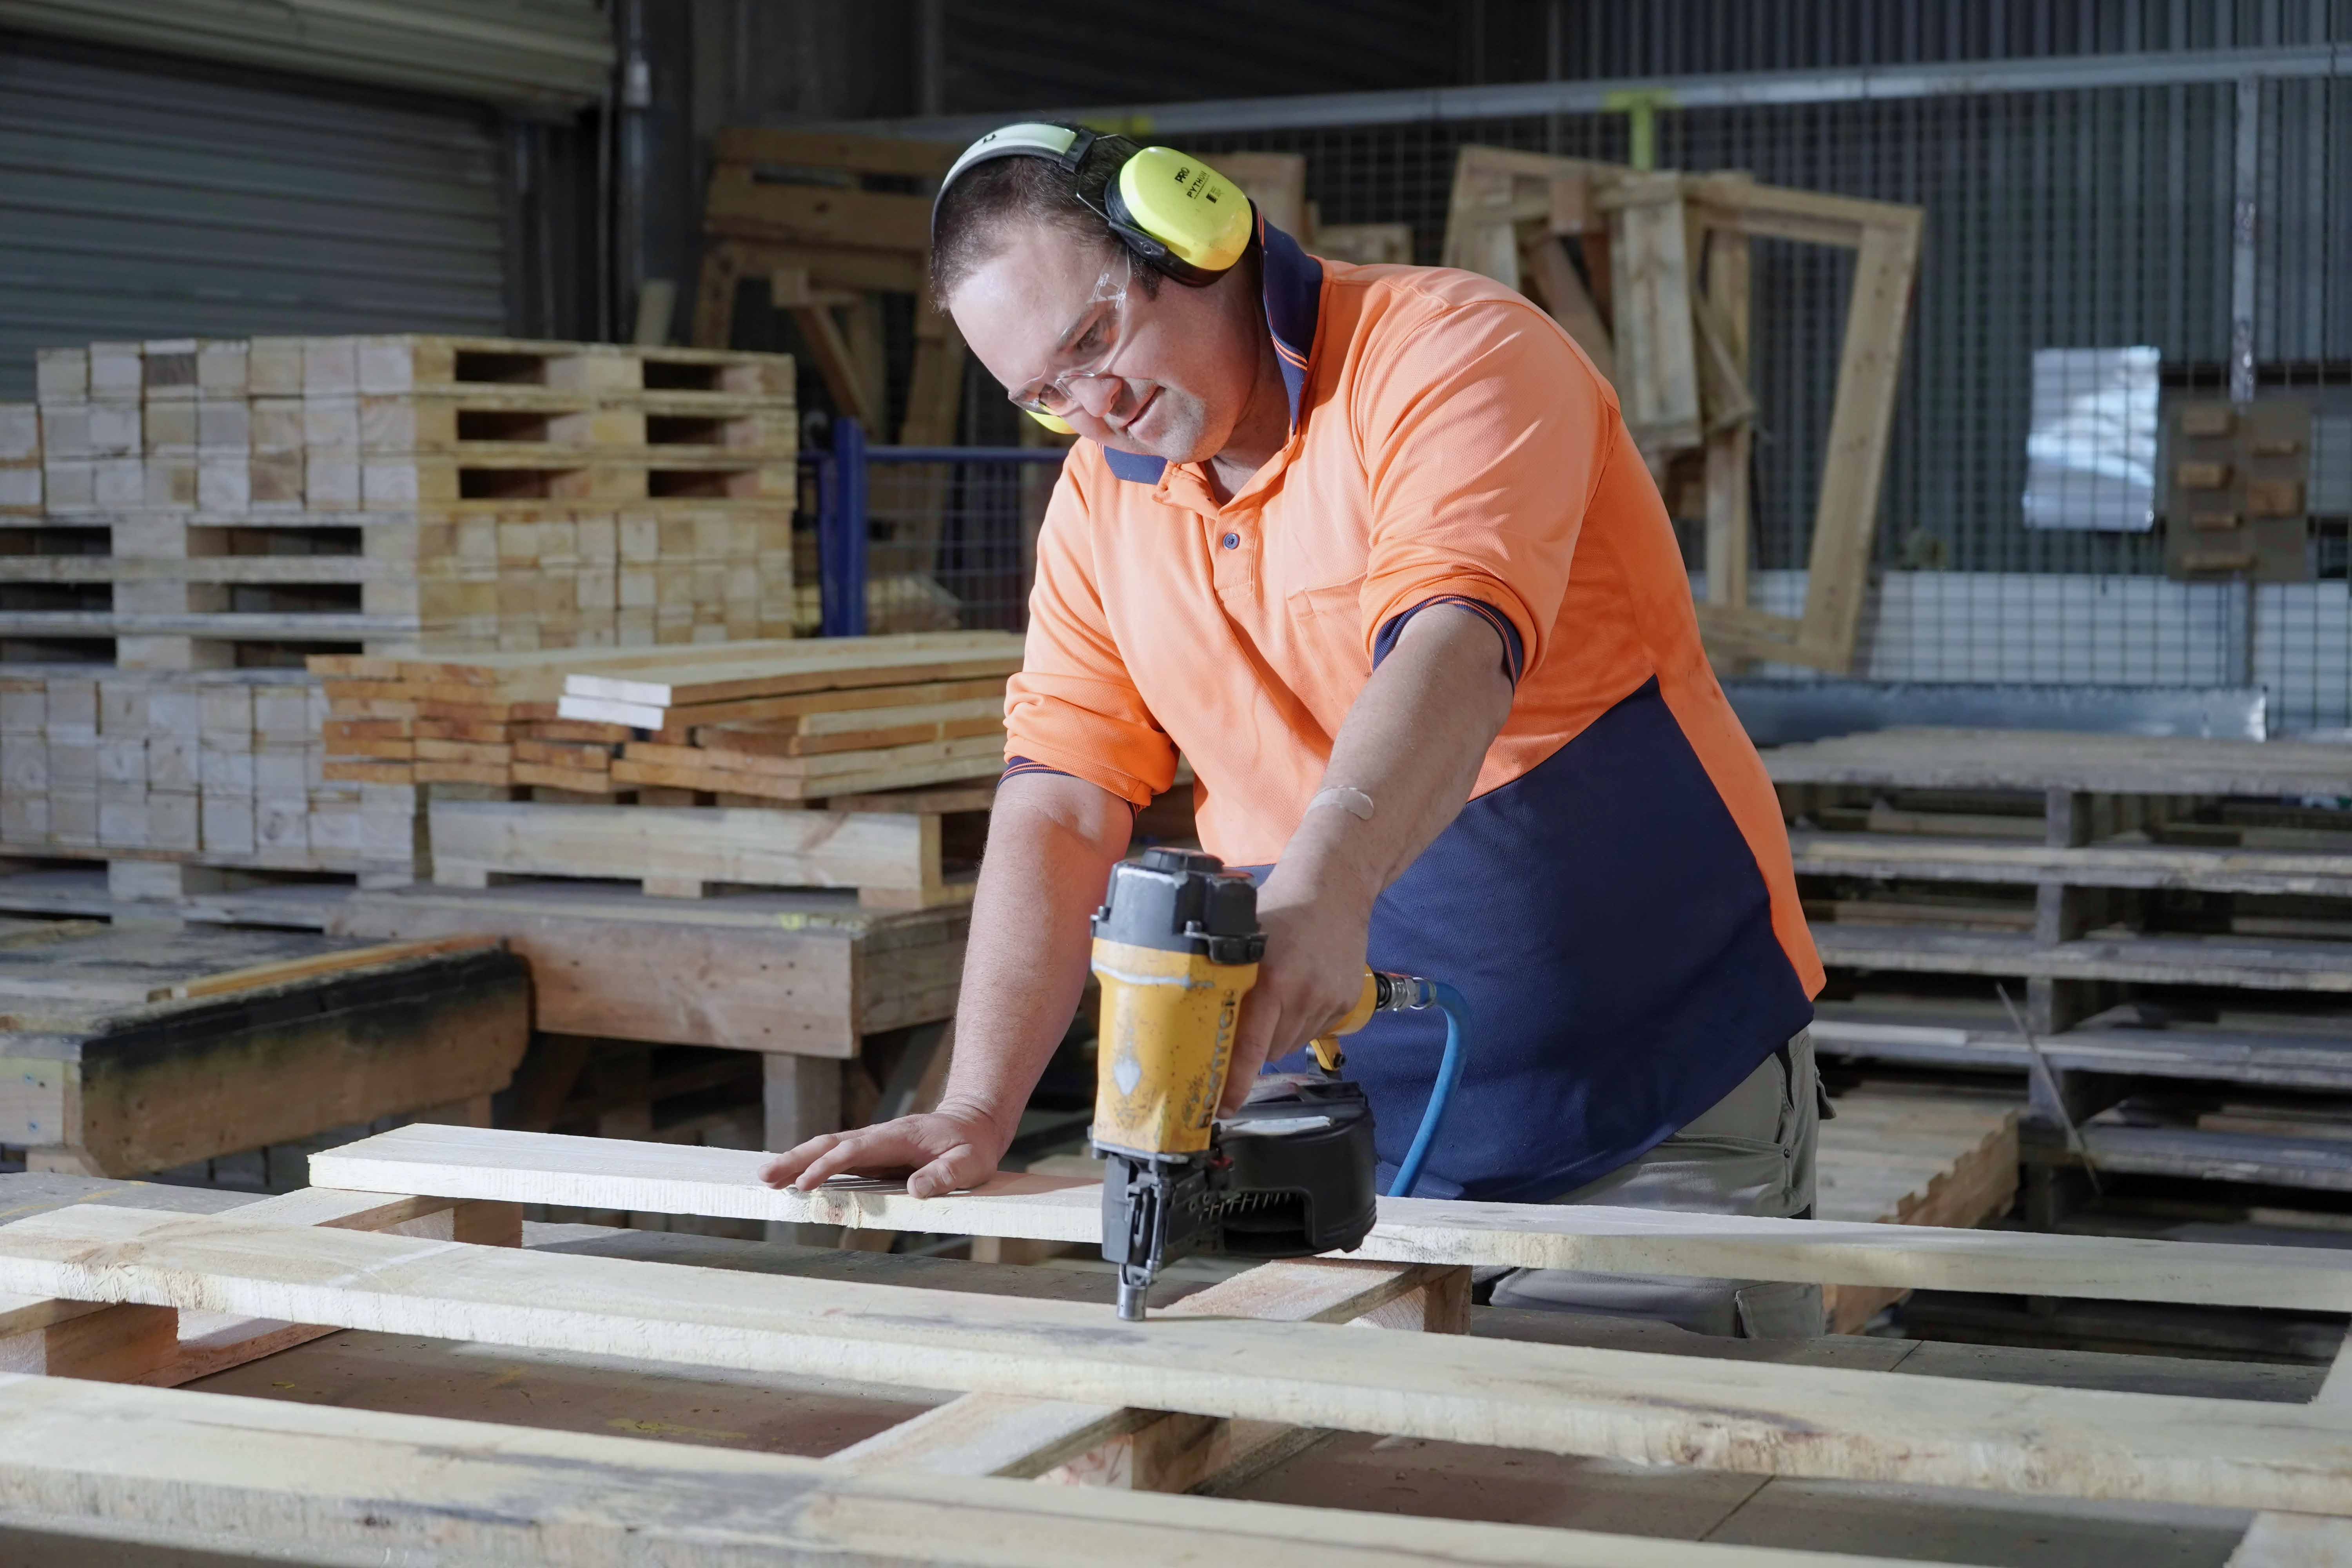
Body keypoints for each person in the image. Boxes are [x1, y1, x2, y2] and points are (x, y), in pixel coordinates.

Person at [761, 124, 1830, 1336]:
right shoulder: (1101, 510)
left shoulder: (1448, 353)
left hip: (1656, 1101)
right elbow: (1061, 794)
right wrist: (976, 1107)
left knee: (1661, 1497)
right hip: (1352, 1157)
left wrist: (1325, 888)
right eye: (1047, 396)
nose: (1095, 405)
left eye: (1094, 341)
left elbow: (1454, 642)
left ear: (1193, 232)